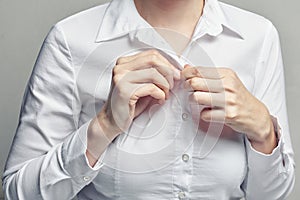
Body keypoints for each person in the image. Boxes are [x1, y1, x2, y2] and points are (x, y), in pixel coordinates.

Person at [2, 0, 295, 199]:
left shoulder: (258, 38)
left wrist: (264, 131)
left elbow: (272, 194)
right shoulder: (71, 40)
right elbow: (17, 191)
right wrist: (104, 126)